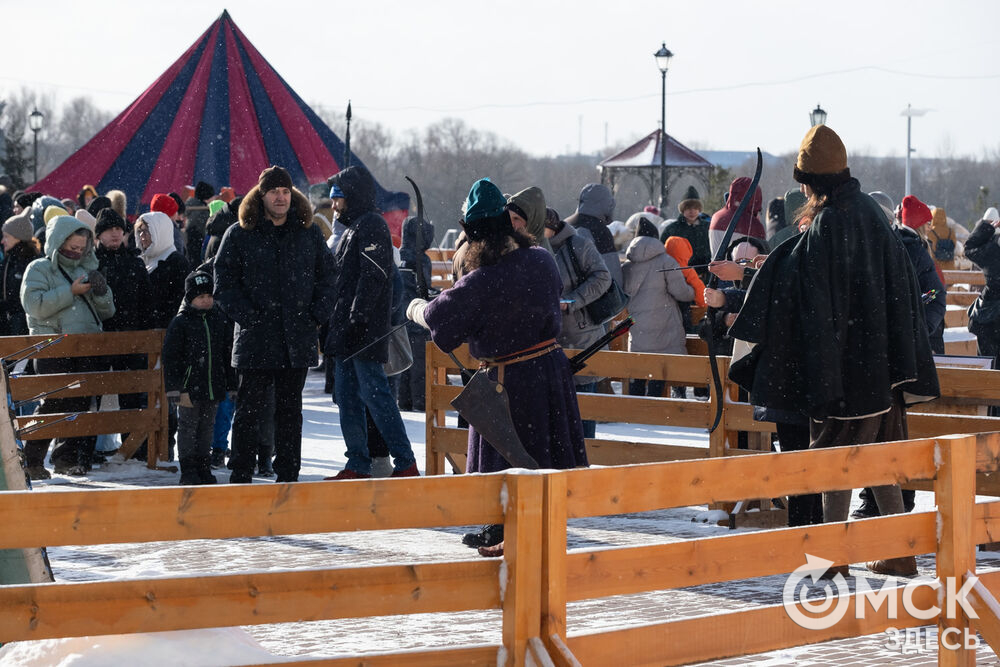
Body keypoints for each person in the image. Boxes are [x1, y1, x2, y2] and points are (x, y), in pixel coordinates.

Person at [727, 125, 939, 577]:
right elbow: (893, 289)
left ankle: (829, 558)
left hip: (849, 368)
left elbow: (808, 294)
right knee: (879, 459)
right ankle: (899, 553)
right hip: (881, 369)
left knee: (834, 460)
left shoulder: (829, 223)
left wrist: (754, 279)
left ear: (811, 181)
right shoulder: (869, 214)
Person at [407, 178, 588, 557]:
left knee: (515, 463)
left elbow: (440, 317)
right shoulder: (540, 258)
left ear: (474, 237)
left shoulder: (483, 280)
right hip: (549, 372)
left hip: (512, 383)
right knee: (540, 463)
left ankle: (522, 541)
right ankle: (512, 534)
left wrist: (415, 309)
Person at [214, 166, 336, 484]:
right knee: (249, 411)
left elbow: (328, 279)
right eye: (273, 192)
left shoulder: (308, 233)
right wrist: (250, 318)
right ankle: (241, 473)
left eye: (284, 191)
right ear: (262, 195)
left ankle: (288, 474)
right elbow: (224, 283)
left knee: (290, 412)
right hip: (256, 338)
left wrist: (314, 316)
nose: (280, 197)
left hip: (296, 338)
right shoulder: (240, 233)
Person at [324, 165, 418, 480]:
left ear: (352, 195)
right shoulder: (351, 227)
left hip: (363, 332)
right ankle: (357, 463)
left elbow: (374, 276)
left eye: (337, 196)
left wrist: (358, 316)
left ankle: (405, 461)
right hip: (345, 330)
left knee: (375, 395)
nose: (333, 203)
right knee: (348, 397)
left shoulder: (372, 226)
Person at [20, 216, 116, 478]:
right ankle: (32, 460)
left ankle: (65, 459)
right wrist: (70, 292)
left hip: (84, 347)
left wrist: (101, 291)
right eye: (71, 247)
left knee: (79, 405)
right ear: (57, 242)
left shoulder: (85, 267)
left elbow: (107, 312)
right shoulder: (39, 269)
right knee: (53, 402)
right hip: (52, 347)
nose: (75, 252)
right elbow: (35, 305)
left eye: (80, 248)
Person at [162, 269, 236, 485]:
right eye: (200, 297)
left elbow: (226, 354)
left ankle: (204, 464)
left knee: (207, 428)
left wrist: (231, 384)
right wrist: (175, 389)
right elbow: (171, 359)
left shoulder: (219, 320)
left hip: (213, 386)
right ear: (190, 298)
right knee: (188, 428)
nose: (206, 301)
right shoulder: (181, 323)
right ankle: (188, 467)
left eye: (209, 296)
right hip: (189, 387)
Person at [545, 207, 611, 439]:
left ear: (551, 228)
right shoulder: (534, 249)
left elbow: (603, 277)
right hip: (549, 342)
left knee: (582, 414)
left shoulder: (578, 244)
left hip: (582, 338)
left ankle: (582, 469)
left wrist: (571, 301)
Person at [94, 208, 154, 453]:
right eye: (109, 229)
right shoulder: (92, 262)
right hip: (99, 339)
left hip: (132, 338)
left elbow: (147, 304)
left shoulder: (134, 263)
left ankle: (134, 448)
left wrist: (145, 335)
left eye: (119, 229)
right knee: (95, 394)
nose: (115, 233)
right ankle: (90, 448)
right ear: (99, 234)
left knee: (132, 395)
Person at [622, 218, 693, 397]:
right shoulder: (666, 262)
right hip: (664, 325)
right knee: (659, 369)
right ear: (656, 238)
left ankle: (633, 409)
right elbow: (681, 293)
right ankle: (656, 407)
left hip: (637, 326)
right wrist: (693, 291)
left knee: (639, 368)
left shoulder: (627, 266)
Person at [397, 214, 435, 412]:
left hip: (401, 317)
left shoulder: (401, 255)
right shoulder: (421, 260)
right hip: (416, 318)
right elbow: (424, 289)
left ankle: (404, 401)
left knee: (405, 364)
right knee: (419, 364)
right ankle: (420, 402)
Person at [134, 211, 190, 330]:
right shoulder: (139, 262)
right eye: (140, 231)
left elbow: (179, 302)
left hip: (169, 331)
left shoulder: (177, 263)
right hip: (144, 335)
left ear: (160, 232)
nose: (142, 236)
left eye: (147, 231)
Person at [965, 208, 1000, 386]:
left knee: (990, 371)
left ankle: (992, 411)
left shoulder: (993, 252)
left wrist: (987, 227)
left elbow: (969, 248)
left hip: (988, 318)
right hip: (990, 319)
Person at [565, 183, 623, 288]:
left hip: (565, 295)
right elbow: (611, 269)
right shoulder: (599, 232)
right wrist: (619, 296)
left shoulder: (565, 225)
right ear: (605, 205)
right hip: (592, 296)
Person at [0, 211, 41, 336]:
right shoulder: (10, 259)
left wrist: (7, 308)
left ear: (18, 238)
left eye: (6, 236)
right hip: (8, 323)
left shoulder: (31, 262)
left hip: (24, 326)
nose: (2, 241)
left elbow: (22, 300)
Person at [708, 177, 766, 258]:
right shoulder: (752, 224)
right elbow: (761, 256)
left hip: (716, 268)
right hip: (740, 269)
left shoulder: (716, 216)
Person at [659, 198, 712, 282]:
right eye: (688, 208)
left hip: (705, 274)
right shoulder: (672, 229)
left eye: (695, 208)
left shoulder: (708, 227)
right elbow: (662, 250)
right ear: (683, 210)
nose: (692, 211)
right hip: (679, 276)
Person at [184, 181, 214, 267]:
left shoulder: (191, 206)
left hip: (191, 245)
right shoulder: (203, 212)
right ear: (207, 198)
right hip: (199, 244)